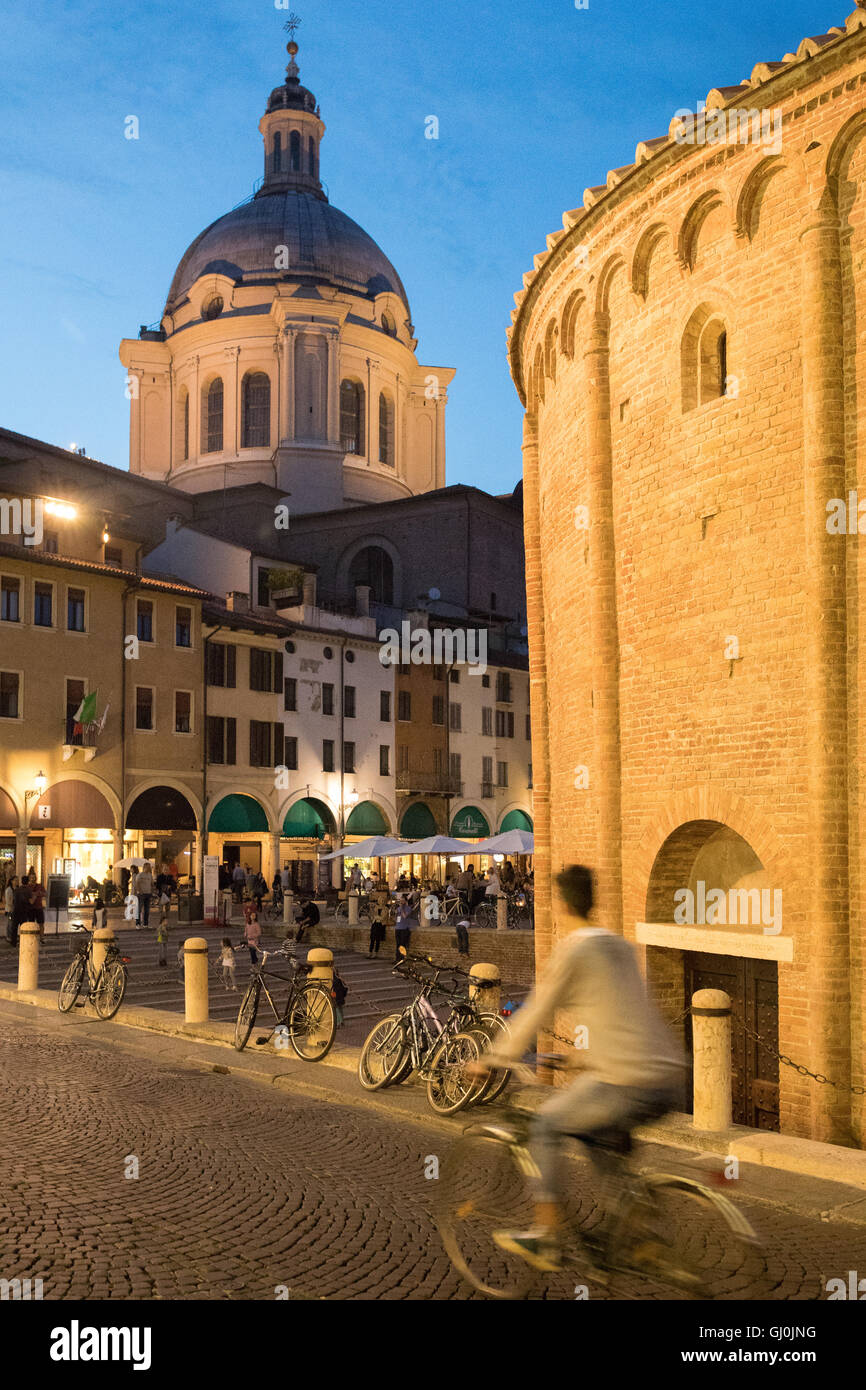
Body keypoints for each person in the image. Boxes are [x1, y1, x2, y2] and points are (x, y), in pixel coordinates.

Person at [474, 865, 685, 1274]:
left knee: (546, 1125)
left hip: (628, 1082)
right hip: (670, 1076)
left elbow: (536, 1009)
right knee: (596, 1135)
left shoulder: (576, 948)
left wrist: (491, 1059)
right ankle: (640, 1232)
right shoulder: (620, 946)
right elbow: (623, 1016)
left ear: (561, 904)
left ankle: (546, 1237)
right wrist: (579, 1059)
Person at [133, 862, 153, 928]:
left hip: (148, 893)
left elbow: (151, 883)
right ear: (144, 867)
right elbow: (137, 884)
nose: (149, 868)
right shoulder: (140, 875)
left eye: (149, 867)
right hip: (141, 894)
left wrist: (152, 890)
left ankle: (145, 924)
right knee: (139, 909)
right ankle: (137, 924)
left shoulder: (150, 875)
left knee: (147, 910)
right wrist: (140, 891)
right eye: (148, 867)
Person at [394, 895, 412, 961]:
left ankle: (402, 958)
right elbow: (395, 919)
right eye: (400, 901)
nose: (401, 902)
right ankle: (397, 958)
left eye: (402, 901)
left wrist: (401, 908)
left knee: (403, 945)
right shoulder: (398, 908)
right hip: (398, 928)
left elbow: (404, 916)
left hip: (404, 929)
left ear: (405, 901)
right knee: (398, 944)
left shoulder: (408, 908)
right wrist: (395, 913)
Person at [4, 874, 16, 944]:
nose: (17, 882)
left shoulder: (16, 888)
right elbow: (8, 901)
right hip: (10, 910)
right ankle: (8, 936)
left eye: (17, 880)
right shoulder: (8, 890)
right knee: (10, 923)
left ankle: (12, 936)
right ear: (11, 881)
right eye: (15, 880)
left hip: (15, 909)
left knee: (13, 923)